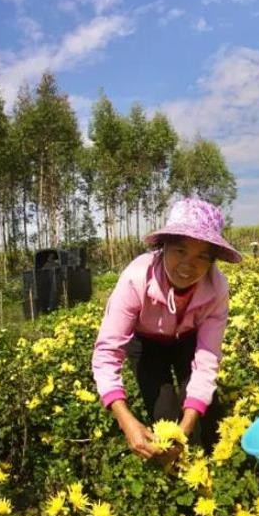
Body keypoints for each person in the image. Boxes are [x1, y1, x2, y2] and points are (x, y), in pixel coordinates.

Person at [92, 197, 241, 462]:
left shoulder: (217, 289)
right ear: (163, 247)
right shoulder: (136, 278)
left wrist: (188, 424)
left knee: (205, 412)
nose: (188, 265)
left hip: (188, 339)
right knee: (164, 412)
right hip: (146, 342)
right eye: (180, 251)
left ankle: (212, 468)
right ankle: (175, 479)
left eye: (202, 257)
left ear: (213, 262)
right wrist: (126, 421)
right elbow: (106, 354)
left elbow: (206, 359)